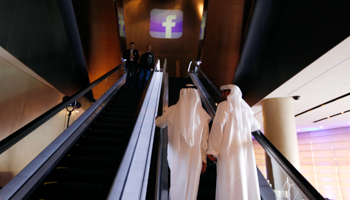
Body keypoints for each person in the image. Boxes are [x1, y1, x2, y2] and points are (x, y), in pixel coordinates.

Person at [155, 84, 211, 200]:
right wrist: (203, 159)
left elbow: (160, 123)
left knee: (176, 182)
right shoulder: (202, 115)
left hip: (177, 155)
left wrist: (156, 119)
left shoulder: (172, 110)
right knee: (192, 185)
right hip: (194, 158)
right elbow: (203, 140)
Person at [207, 84, 260, 200]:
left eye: (223, 92)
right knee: (243, 180)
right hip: (243, 152)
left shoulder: (224, 106)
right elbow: (256, 125)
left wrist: (212, 150)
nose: (221, 95)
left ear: (228, 93)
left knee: (228, 180)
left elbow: (218, 127)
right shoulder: (245, 109)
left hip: (228, 150)